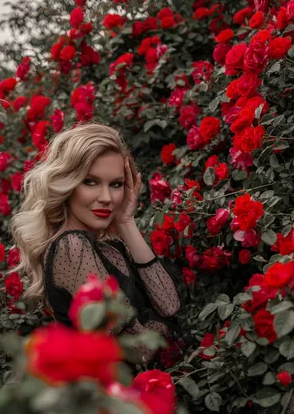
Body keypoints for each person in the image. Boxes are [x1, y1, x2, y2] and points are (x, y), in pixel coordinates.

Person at [10, 122, 190, 373]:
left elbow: (169, 305)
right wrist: (162, 327)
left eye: (116, 184)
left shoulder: (107, 247)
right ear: (67, 183)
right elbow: (139, 351)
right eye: (91, 182)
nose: (106, 197)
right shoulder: (72, 246)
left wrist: (126, 221)